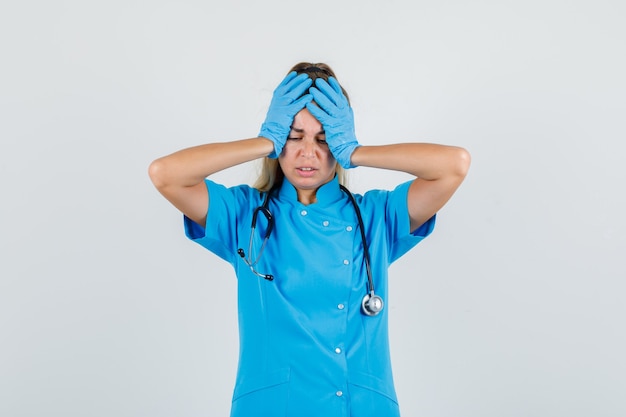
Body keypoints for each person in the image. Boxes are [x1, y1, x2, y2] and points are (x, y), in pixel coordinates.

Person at [148, 62, 470, 417]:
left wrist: (355, 151)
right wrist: (264, 141)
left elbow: (453, 165)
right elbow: (166, 174)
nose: (308, 153)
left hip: (361, 407)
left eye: (324, 139)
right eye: (293, 136)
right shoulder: (243, 215)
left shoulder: (375, 218)